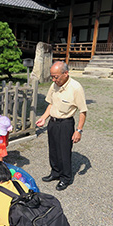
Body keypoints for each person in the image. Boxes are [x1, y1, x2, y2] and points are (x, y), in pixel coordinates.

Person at [36, 61, 87, 191]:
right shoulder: (54, 85)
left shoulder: (76, 87)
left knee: (64, 152)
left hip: (65, 124)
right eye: (52, 76)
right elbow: (51, 104)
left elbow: (83, 111)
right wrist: (43, 118)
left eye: (56, 77)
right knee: (53, 150)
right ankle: (55, 172)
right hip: (52, 122)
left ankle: (65, 178)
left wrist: (79, 131)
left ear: (65, 73)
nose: (54, 80)